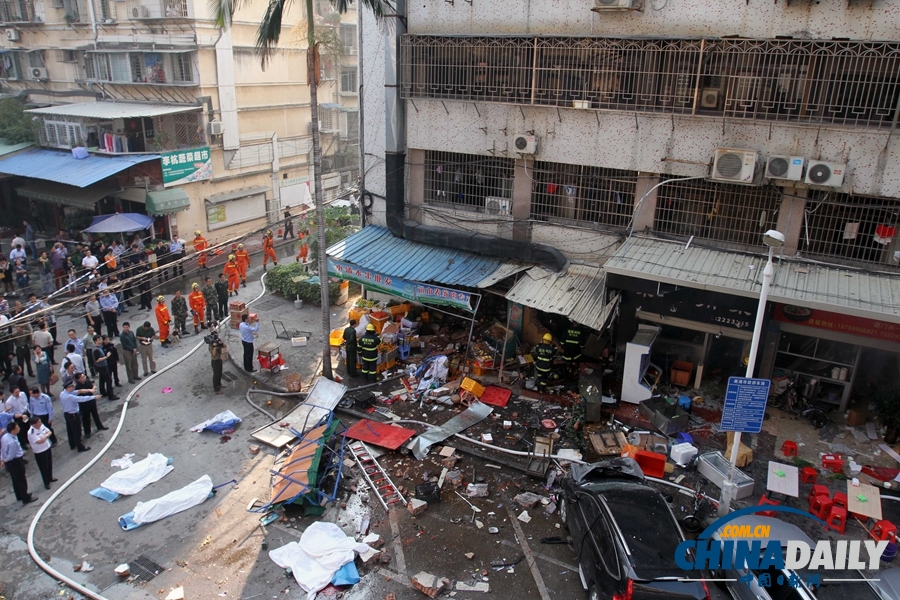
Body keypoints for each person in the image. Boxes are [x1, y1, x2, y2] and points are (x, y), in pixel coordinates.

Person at [1, 421, 36, 504]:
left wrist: (2, 459)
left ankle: (19, 495)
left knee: (15, 480)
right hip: (15, 462)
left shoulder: (5, 437)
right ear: (13, 430)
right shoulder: (12, 442)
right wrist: (5, 460)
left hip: (10, 462)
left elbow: (2, 449)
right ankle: (25, 497)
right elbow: (11, 455)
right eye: (17, 427)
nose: (19, 428)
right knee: (21, 480)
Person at [59, 380, 91, 452]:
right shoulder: (69, 396)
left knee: (70, 430)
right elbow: (81, 399)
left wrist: (90, 390)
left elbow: (78, 391)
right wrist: (93, 397)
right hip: (73, 414)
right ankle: (80, 446)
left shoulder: (62, 393)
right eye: (72, 386)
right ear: (68, 387)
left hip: (67, 414)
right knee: (76, 430)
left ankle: (72, 444)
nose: (74, 387)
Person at [28, 416, 56, 489]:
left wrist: (45, 436)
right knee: (44, 467)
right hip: (40, 452)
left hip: (47, 447)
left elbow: (49, 432)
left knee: (49, 464)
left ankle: (50, 477)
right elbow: (40, 441)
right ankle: (46, 483)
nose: (40, 423)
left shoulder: (41, 426)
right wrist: (46, 436)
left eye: (40, 421)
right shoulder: (31, 433)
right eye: (38, 422)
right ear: (34, 424)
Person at [91, 335, 119, 401]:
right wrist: (106, 357)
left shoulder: (99, 347)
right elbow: (97, 360)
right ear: (95, 341)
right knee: (108, 380)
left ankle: (103, 392)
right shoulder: (96, 350)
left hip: (102, 366)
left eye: (101, 339)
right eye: (99, 339)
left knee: (102, 379)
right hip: (102, 366)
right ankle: (111, 395)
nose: (101, 340)